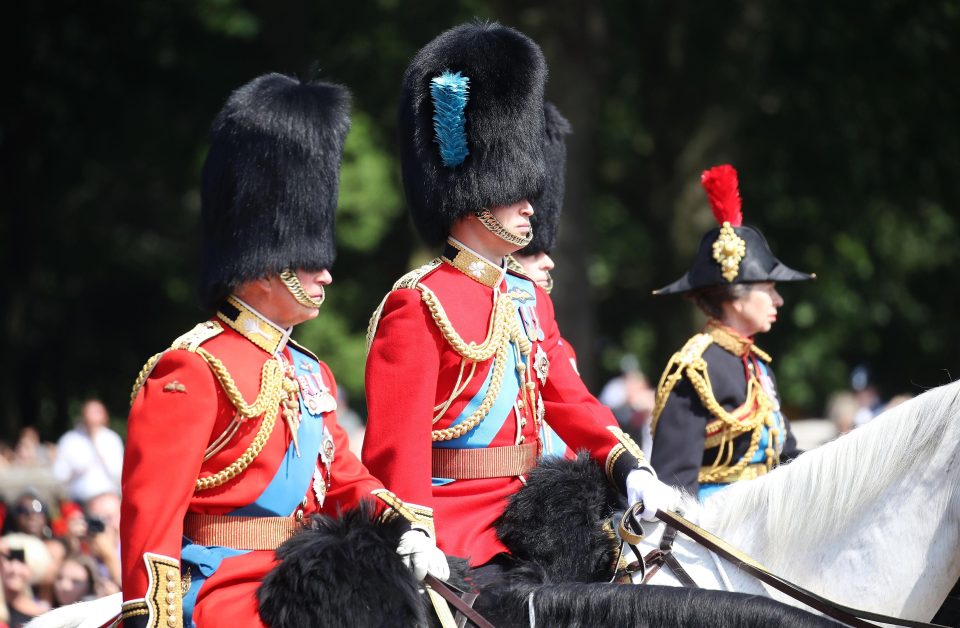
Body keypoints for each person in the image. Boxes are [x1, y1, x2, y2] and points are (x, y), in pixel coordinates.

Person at [119, 72, 446, 628]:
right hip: (223, 586)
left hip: (309, 578)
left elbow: (344, 477)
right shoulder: (195, 367)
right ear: (266, 262)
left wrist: (405, 527)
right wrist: (152, 616)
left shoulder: (309, 371)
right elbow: (151, 518)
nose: (327, 275)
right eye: (310, 259)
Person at [363, 22, 673, 569]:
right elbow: (397, 447)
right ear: (475, 194)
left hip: (536, 521)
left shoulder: (528, 299)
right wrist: (411, 533)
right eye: (514, 192)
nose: (531, 205)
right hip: (455, 535)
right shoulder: (418, 303)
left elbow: (570, 400)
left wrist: (630, 468)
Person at [649, 164, 810, 499]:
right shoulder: (695, 369)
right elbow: (674, 485)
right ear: (736, 297)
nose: (778, 300)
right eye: (769, 289)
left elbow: (787, 457)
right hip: (715, 536)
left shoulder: (756, 365)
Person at [53, 399, 124, 503]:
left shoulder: (112, 439)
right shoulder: (69, 440)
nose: (91, 418)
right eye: (89, 413)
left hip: (108, 499)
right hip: (77, 500)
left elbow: (118, 473)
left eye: (96, 413)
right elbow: (59, 474)